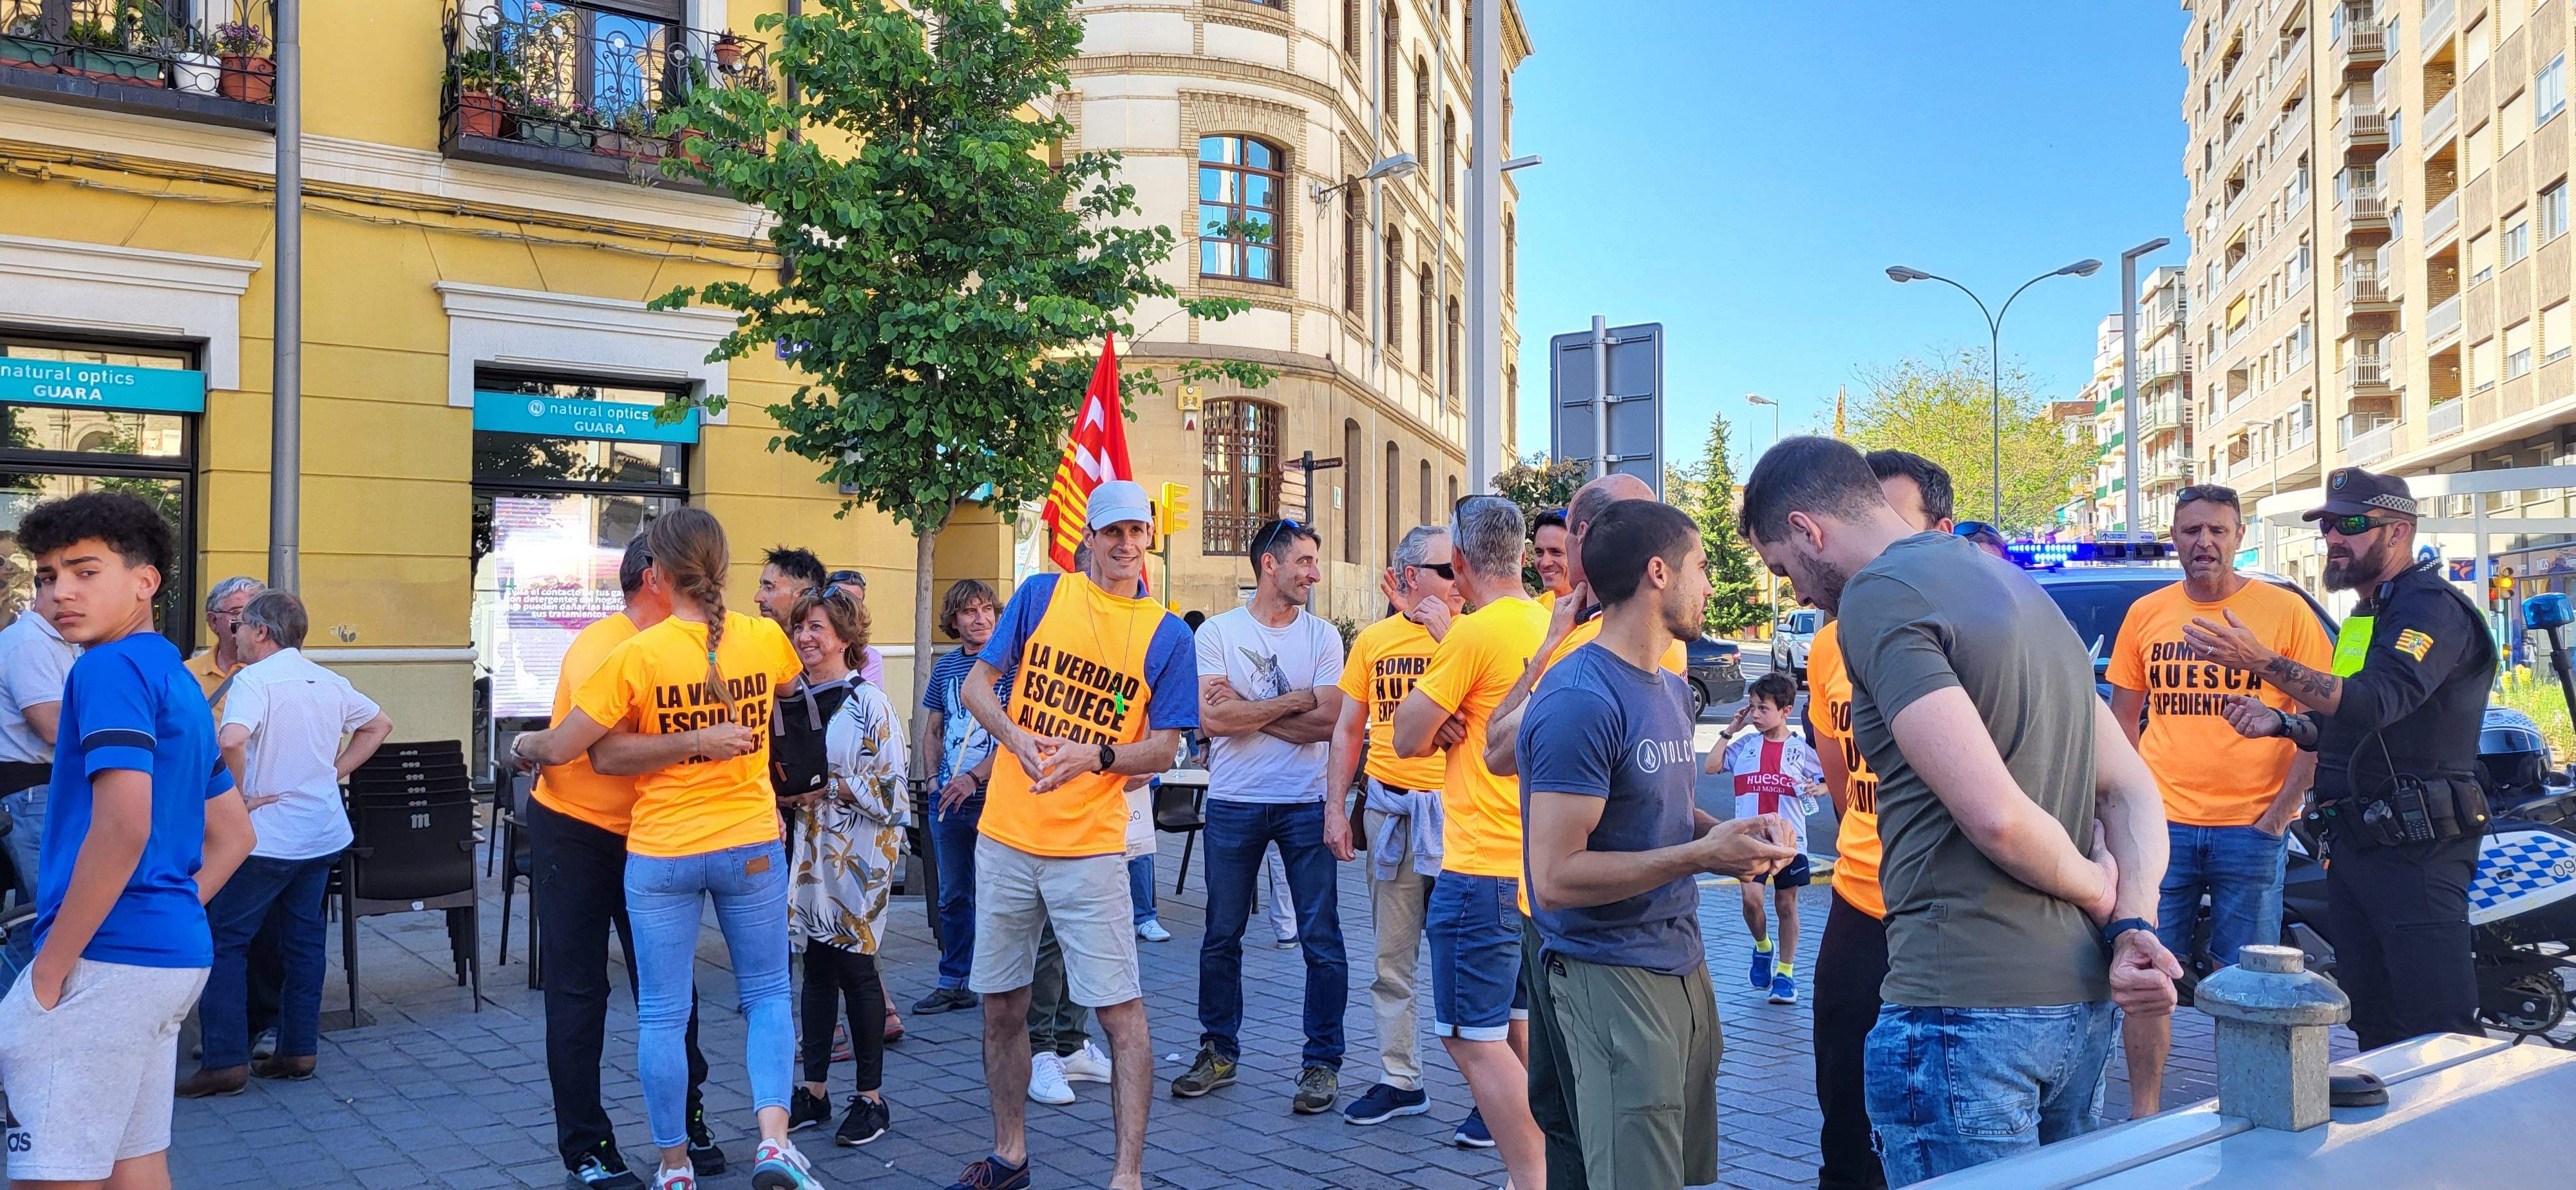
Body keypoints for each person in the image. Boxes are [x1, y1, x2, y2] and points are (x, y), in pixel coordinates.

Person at [1738, 436, 2180, 1185]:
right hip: (2074, 1007)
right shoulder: (2018, 588)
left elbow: (1994, 815)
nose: (1803, 596)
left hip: (1963, 1011)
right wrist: (2131, 919)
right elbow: (2133, 789)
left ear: (1811, 530)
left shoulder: (1879, 595)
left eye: (1785, 568)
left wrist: (2098, 890)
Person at [512, 508, 821, 1190]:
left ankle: (676, 1157)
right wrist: (717, 743)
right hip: (693, 839)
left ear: (662, 574)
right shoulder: (755, 638)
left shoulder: (642, 655)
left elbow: (574, 748)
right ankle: (764, 1144)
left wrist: (521, 748)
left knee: (664, 1007)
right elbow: (792, 695)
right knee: (759, 993)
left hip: (661, 846)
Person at [1522, 498, 1801, 1190]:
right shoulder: (1580, 698)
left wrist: (1734, 834)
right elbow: (1555, 876)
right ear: (1657, 573)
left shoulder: (1672, 691)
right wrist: (1704, 856)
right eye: (1701, 568)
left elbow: (1665, 816)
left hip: (1681, 963)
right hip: (1608, 975)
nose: (1710, 585)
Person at [0, 492, 257, 1187]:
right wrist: (170, 906)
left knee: (55, 1174)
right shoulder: (173, 678)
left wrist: (50, 969)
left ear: (145, 582)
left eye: (85, 572)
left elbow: (124, 823)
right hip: (169, 958)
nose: (61, 593)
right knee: (131, 1163)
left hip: (103, 960)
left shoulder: (105, 670)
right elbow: (235, 834)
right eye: (47, 576)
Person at [946, 478, 1196, 1190]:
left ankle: (1127, 1176)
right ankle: (1010, 1153)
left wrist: (1102, 756)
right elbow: (976, 685)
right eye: (1111, 532)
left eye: (1136, 533)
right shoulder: (1038, 595)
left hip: (1090, 848)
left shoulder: (1166, 632)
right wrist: (1012, 736)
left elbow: (1166, 749)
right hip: (1005, 834)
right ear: (1087, 537)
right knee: (1001, 1006)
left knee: (1120, 1012)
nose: (1124, 546)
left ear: (1149, 538)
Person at [2194, 467, 2497, 1052]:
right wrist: (2286, 724)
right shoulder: (2368, 614)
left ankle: (2457, 1143)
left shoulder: (2429, 609)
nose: (2335, 537)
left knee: (2440, 1033)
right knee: (2377, 1028)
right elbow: (2352, 721)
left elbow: (2380, 699)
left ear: (2399, 531)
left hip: (2418, 849)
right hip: (2357, 845)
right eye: (2329, 525)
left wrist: (2266, 663)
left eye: (2353, 524)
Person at [2107, 484, 2332, 1116]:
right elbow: (2122, 722)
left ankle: (2249, 1106)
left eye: (2217, 531)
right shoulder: (2146, 613)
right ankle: (2144, 1113)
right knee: (2148, 976)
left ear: (2238, 537)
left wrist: (2282, 811)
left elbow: (2320, 716)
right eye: (2190, 531)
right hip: (2160, 830)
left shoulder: (2283, 613)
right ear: (2174, 539)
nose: (2203, 542)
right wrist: (2128, 807)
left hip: (2251, 828)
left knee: (2251, 987)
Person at [1478, 471, 1673, 1189]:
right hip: (1549, 919)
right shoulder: (1569, 633)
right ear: (1594, 538)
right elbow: (1498, 752)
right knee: (1559, 1113)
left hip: (1620, 939)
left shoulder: (1650, 634)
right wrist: (1552, 642)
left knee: (1616, 1130)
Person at [520, 536, 727, 1188]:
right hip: (576, 833)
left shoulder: (692, 646)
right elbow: (603, 754)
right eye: (689, 571)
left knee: (669, 990)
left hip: (655, 834)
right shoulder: (601, 648)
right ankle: (587, 1145)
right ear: (652, 579)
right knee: (579, 991)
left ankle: (686, 1121)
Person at [1802, 449, 1955, 1190]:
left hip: (1946, 915)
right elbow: (1837, 772)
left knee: (1938, 1107)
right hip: (1858, 900)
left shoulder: (1969, 625)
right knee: (1842, 1100)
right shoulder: (1828, 642)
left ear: (1940, 533)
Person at [1388, 494, 1549, 1178]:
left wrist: (1442, 714)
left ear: (1458, 563)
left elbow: (1404, 737)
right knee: (1516, 1031)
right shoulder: (1550, 625)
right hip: (1533, 868)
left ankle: (1539, 1174)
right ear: (1520, 555)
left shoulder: (1473, 635)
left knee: (1470, 1039)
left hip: (1478, 864)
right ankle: (1535, 1173)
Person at [176, 590, 393, 1097]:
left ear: (260, 632)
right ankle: (298, 1050)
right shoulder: (328, 679)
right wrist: (333, 773)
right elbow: (379, 724)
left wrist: (235, 797)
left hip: (267, 835)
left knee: (226, 941)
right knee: (303, 942)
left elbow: (230, 739)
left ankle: (225, 1060)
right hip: (321, 832)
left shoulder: (255, 680)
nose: (236, 636)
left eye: (241, 628)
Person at [1171, 519, 1350, 1113]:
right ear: (1268, 564)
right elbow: (1213, 721)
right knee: (1221, 936)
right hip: (1233, 803)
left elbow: (1328, 722)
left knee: (1321, 940)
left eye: (1314, 562)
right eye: (1303, 561)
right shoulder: (1217, 631)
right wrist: (1292, 701)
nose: (1314, 573)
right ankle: (1219, 1051)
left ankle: (1321, 1064)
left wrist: (1249, 709)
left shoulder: (1324, 637)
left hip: (1305, 803)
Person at [1328, 524, 1463, 1126]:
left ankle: (1495, 1095)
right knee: (1392, 957)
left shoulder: (1472, 634)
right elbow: (1348, 727)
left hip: (1462, 814)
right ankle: (1401, 1078)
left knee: (1470, 959)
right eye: (1446, 570)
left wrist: (1450, 635)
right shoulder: (1375, 640)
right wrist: (1337, 807)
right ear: (1412, 578)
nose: (1458, 579)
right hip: (1390, 811)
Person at [782, 587, 908, 1149]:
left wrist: (831, 786)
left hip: (860, 855)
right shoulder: (794, 698)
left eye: (817, 627)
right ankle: (813, 1092)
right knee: (816, 968)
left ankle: (871, 1100)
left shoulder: (870, 703)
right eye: (800, 627)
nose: (806, 637)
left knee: (856, 970)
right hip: (811, 855)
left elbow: (894, 793)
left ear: (846, 635)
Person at [1709, 671, 1824, 1006]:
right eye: (1753, 708)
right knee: (1751, 902)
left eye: (1763, 709)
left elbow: (1832, 777)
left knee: (1786, 905)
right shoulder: (1746, 745)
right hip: (1749, 841)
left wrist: (1821, 787)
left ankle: (1786, 974)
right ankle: (1763, 947)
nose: (1756, 715)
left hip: (1790, 844)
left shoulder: (1800, 750)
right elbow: (1712, 767)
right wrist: (1730, 730)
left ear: (1786, 710)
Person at [915, 578, 1002, 1015]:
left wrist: (974, 777)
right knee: (952, 896)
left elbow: (1017, 736)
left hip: (996, 798)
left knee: (1000, 893)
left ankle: (1001, 984)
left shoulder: (1011, 667)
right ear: (954, 620)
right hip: (947, 799)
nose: (980, 617)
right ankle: (954, 980)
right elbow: (932, 728)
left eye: (987, 609)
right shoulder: (947, 667)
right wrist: (933, 780)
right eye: (970, 611)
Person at [0, 580, 76, 907]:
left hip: (39, 789)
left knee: (30, 915)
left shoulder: (57, 641)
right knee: (54, 910)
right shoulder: (31, 643)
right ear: (42, 589)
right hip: (31, 791)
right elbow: (53, 728)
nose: (69, 597)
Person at [185, 575, 264, 719]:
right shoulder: (187, 674)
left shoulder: (281, 672)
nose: (247, 621)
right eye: (237, 613)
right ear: (213, 621)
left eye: (255, 614)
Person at [824, 569, 887, 687]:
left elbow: (865, 702)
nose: (849, 607)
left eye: (856, 602)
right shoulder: (807, 645)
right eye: (841, 599)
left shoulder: (869, 658)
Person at [759, 546, 828, 626]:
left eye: (769, 588)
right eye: (761, 587)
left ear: (802, 595)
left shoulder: (826, 637)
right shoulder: (753, 635)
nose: (757, 598)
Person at [1531, 508, 1573, 601]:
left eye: (1556, 552)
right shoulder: (1536, 608)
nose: (1545, 563)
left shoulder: (1606, 612)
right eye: (1539, 552)